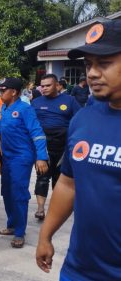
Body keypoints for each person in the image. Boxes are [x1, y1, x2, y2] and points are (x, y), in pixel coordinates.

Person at [36, 19, 121, 281]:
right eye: (88, 65)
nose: (92, 73)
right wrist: (45, 235)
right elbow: (68, 184)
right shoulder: (82, 120)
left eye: (104, 64)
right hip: (80, 269)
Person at [0, 77, 48, 248]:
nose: (0, 93)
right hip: (8, 158)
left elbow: (37, 133)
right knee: (7, 192)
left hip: (22, 158)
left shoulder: (25, 109)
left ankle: (19, 232)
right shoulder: (4, 108)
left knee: (19, 194)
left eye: (3, 90)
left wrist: (41, 156)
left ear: (14, 92)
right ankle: (11, 224)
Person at [31, 74, 81, 221]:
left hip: (64, 145)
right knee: (42, 176)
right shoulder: (36, 102)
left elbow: (79, 120)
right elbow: (30, 124)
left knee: (59, 179)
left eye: (48, 85)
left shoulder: (70, 101)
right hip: (43, 145)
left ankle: (56, 208)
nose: (44, 88)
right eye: (42, 85)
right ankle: (40, 209)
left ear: (57, 85)